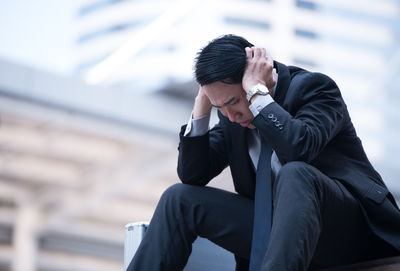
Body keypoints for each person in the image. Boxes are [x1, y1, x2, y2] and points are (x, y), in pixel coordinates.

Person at [128, 34, 400, 271]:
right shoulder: (231, 117)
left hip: (350, 233)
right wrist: (203, 106)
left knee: (296, 173)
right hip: (281, 238)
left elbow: (299, 148)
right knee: (179, 198)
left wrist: (258, 97)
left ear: (254, 77)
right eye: (220, 107)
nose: (231, 116)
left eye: (234, 101)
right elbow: (192, 174)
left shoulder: (315, 89)